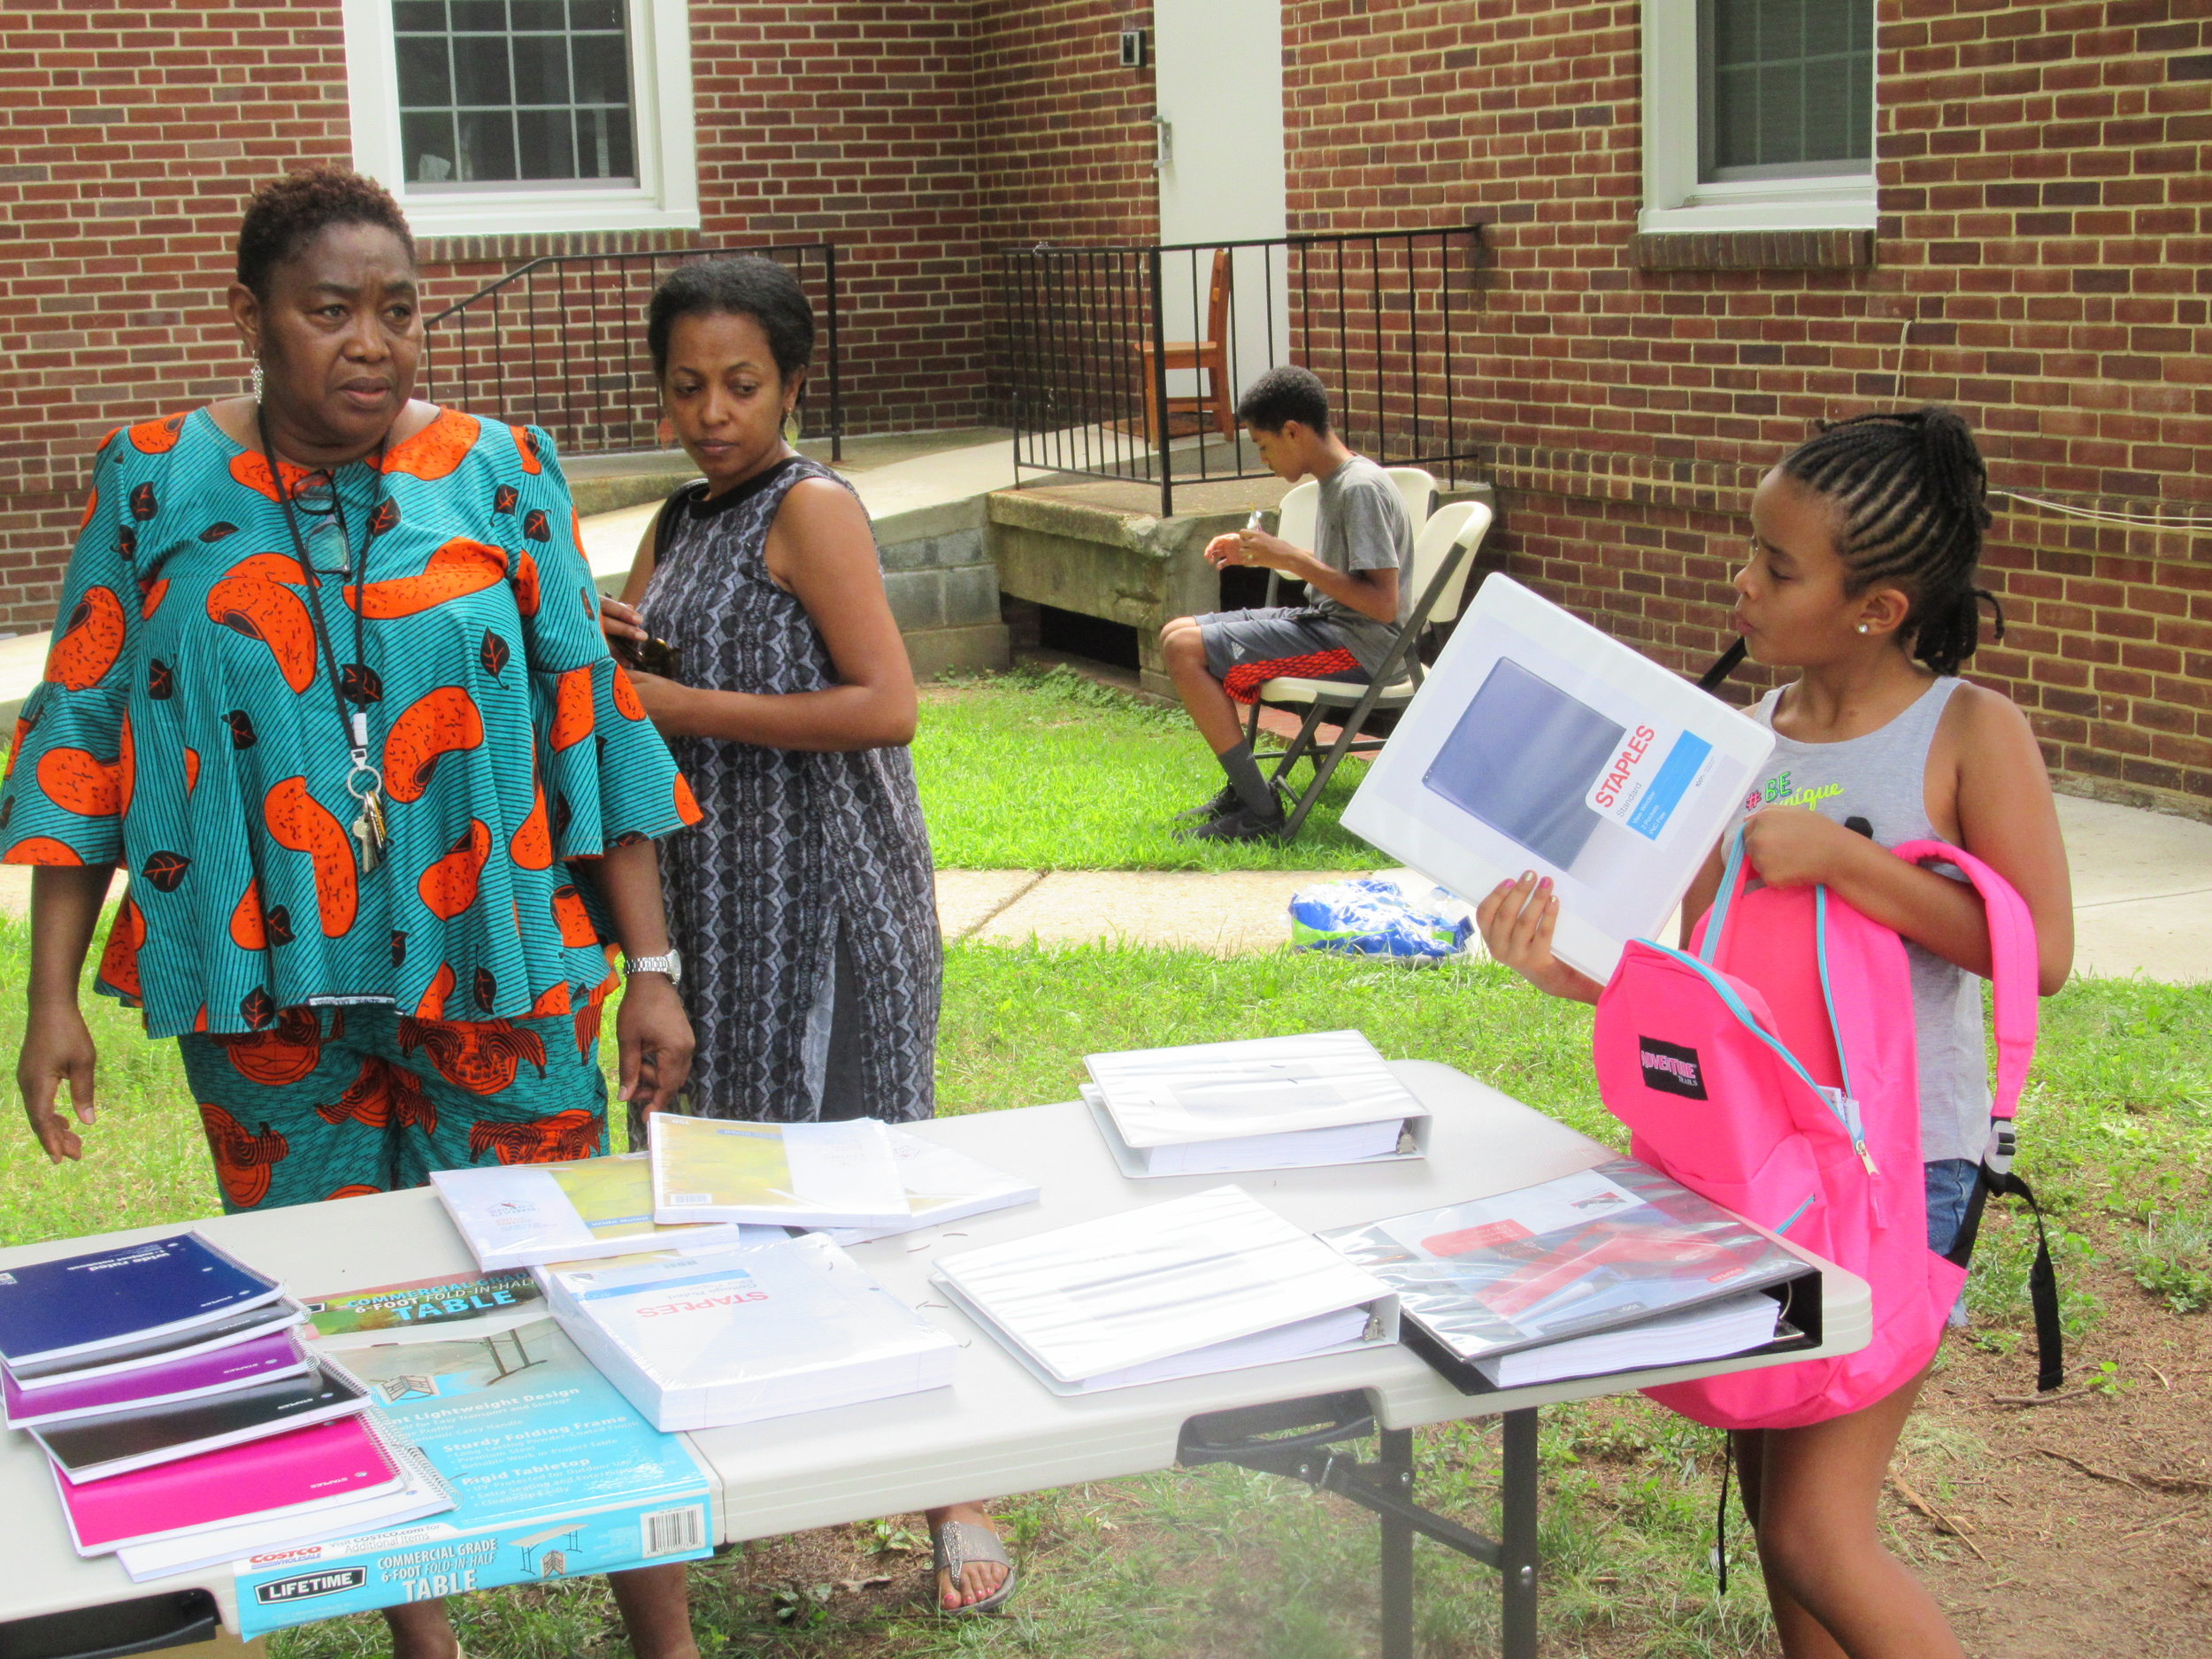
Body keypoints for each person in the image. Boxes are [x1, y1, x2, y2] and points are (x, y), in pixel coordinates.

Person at [6, 168, 703, 1659]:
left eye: (399, 312)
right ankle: (422, 1635)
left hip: (496, 959)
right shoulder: (150, 481)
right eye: (332, 312)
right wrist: (49, 994)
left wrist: (650, 965)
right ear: (250, 315)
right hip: (256, 986)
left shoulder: (504, 470)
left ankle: (659, 1627)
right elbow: (85, 734)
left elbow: (587, 716)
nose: (372, 343)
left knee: (558, 1288)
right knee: (335, 1316)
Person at [1478, 408, 2074, 1659]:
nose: (1739, 580)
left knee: (1816, 1527)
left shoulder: (1970, 730)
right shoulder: (1743, 740)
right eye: (1750, 549)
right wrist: (1559, 964)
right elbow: (1693, 973)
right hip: (1760, 1171)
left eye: (1776, 564)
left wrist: (1845, 866)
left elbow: (2041, 948)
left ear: (1879, 606)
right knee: (1772, 1505)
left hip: (1907, 1168)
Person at [598, 257, 1014, 1614]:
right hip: (720, 899)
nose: (713, 411)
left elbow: (887, 704)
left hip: (830, 895)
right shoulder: (674, 515)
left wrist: (679, 696)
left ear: (792, 384)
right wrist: (623, 644)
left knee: (863, 1177)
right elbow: (645, 683)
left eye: (742, 384)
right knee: (727, 1173)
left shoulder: (812, 505)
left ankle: (955, 1481)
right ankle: (765, 1435)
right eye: (687, 385)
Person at [1157, 365, 1413, 843]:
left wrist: (1288, 555)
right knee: (1177, 633)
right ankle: (1245, 788)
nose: (1264, 457)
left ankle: (1259, 811)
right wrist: (1262, 553)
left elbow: (1382, 603)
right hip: (1330, 626)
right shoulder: (1339, 480)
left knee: (1183, 650)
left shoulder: (1359, 488)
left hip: (1361, 648)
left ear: (1292, 431)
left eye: (1263, 444)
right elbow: (1349, 575)